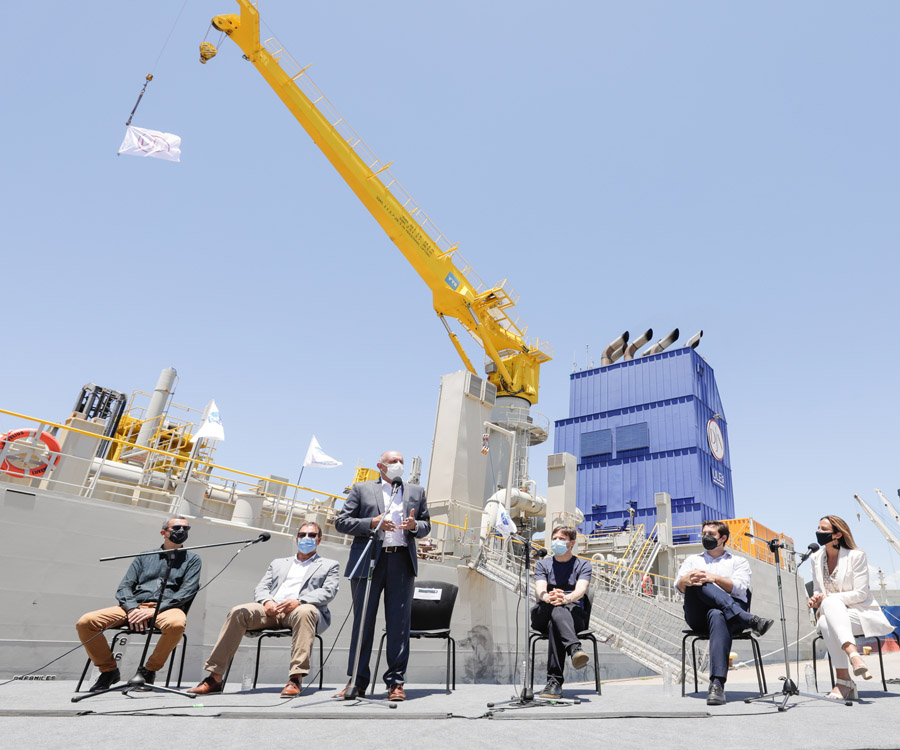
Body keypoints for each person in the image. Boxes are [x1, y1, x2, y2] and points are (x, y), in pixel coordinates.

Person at [188, 522, 339, 698]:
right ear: (297, 538)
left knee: (304, 611)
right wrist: (267, 602)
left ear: (319, 540)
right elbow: (262, 587)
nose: (307, 538)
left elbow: (328, 591)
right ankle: (214, 678)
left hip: (300, 611)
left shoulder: (329, 564)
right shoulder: (278, 563)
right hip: (272, 610)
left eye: (312, 535)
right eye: (303, 535)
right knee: (239, 611)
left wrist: (299, 601)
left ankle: (295, 679)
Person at [333, 450, 431, 701]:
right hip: (369, 559)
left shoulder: (416, 492)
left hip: (401, 561)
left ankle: (396, 683)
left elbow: (425, 524)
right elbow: (341, 522)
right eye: (393, 462)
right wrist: (372, 522)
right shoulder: (361, 489)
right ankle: (357, 681)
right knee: (363, 622)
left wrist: (414, 527)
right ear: (381, 466)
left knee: (399, 625)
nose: (398, 465)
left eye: (401, 461)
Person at [75, 517, 201, 692]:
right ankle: (108, 671)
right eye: (177, 527)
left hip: (167, 608)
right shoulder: (144, 556)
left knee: (176, 625)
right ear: (163, 532)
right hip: (136, 606)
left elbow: (187, 591)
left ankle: (149, 671)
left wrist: (155, 611)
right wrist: (133, 609)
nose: (182, 531)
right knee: (86, 622)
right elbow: (125, 586)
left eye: (186, 529)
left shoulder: (193, 559)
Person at [675, 520, 773, 706]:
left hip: (727, 620)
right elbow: (678, 588)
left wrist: (715, 579)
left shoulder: (738, 562)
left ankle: (717, 684)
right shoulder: (692, 560)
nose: (706, 537)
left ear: (723, 538)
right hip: (698, 617)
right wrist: (685, 581)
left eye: (711, 534)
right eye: (704, 532)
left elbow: (740, 587)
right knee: (696, 580)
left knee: (717, 613)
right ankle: (749, 620)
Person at [807, 515, 894, 701]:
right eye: (819, 528)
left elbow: (861, 594)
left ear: (837, 534)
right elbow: (817, 589)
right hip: (834, 619)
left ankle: (845, 680)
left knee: (828, 608)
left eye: (824, 529)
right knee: (824, 618)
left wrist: (828, 598)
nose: (818, 533)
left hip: (860, 614)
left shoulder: (856, 556)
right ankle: (853, 657)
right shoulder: (815, 558)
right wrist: (816, 599)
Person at [531, 526, 592, 699]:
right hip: (543, 610)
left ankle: (553, 683)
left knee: (555, 622)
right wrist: (549, 597)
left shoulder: (583, 565)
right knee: (555, 611)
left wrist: (566, 598)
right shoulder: (543, 564)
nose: (556, 541)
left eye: (561, 538)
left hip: (572, 616)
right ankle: (574, 648)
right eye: (554, 538)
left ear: (572, 543)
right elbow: (540, 588)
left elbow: (581, 590)